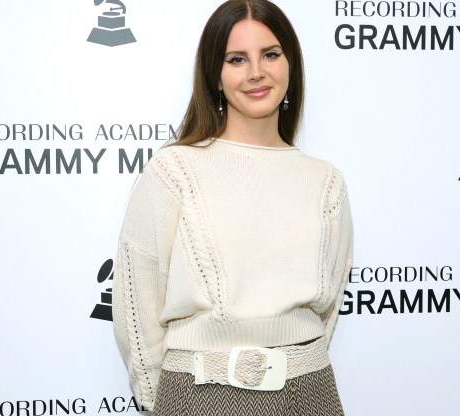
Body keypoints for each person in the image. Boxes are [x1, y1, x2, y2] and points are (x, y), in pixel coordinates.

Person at [112, 1, 353, 415]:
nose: (256, 71)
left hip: (310, 394)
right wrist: (167, 405)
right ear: (215, 75)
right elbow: (138, 307)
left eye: (271, 54)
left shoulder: (325, 182)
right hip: (197, 395)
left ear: (291, 64)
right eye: (236, 59)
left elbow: (326, 310)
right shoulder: (174, 171)